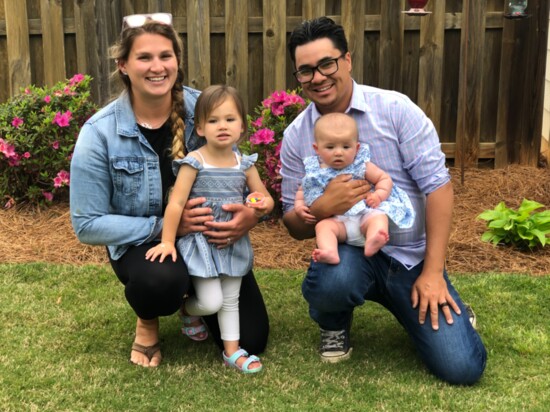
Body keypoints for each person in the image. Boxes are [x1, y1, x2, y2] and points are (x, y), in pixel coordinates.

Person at [280, 17, 486, 384]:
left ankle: (444, 299)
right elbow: (292, 224)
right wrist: (322, 208)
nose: (318, 77)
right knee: (333, 280)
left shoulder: (395, 110)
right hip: (349, 254)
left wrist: (434, 273)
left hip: (408, 258)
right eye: (305, 70)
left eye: (327, 63)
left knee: (461, 368)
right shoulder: (298, 136)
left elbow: (438, 187)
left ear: (348, 60)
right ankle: (334, 322)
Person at [70, 13, 269, 368]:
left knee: (253, 338)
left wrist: (250, 215)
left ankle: (191, 303)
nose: (156, 66)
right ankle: (149, 321)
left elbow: (239, 172)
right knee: (159, 281)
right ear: (124, 66)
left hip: (210, 240)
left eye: (165, 56)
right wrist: (167, 227)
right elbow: (87, 224)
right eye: (144, 57)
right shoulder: (100, 132)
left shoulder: (206, 110)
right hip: (146, 244)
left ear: (177, 61)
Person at [145, 85, 274, 373]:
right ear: (200, 128)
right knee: (211, 300)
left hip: (232, 242)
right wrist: (167, 241)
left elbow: (266, 198)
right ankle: (187, 309)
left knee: (230, 299)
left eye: (230, 119)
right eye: (213, 121)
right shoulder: (195, 162)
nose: (223, 126)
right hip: (200, 243)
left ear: (242, 125)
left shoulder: (245, 164)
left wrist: (258, 204)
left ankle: (232, 352)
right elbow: (176, 205)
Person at [294, 112, 415, 264]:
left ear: (356, 148)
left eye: (346, 146)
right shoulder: (314, 170)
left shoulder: (360, 165)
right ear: (317, 148)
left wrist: (378, 195)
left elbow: (384, 179)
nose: (338, 152)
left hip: (364, 215)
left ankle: (373, 239)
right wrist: (299, 207)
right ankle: (330, 252)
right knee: (323, 226)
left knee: (378, 217)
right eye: (330, 147)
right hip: (338, 223)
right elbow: (302, 190)